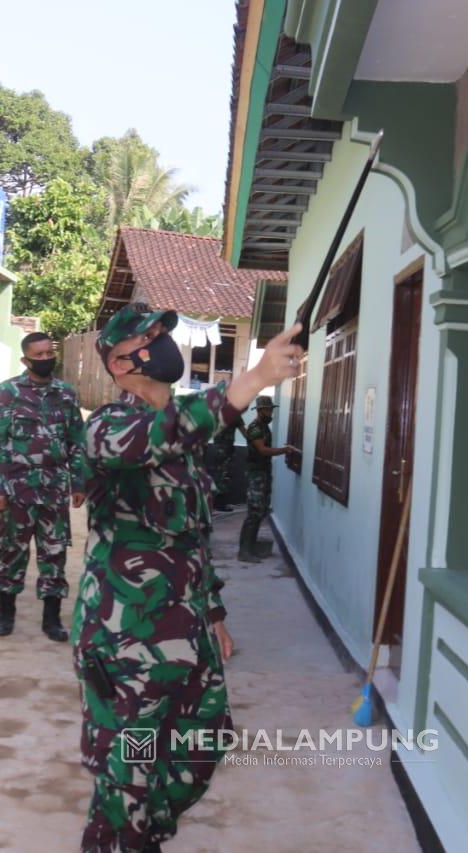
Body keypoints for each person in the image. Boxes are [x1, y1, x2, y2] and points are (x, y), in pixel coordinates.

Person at [73, 302, 302, 852]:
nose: (164, 343)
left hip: (186, 625)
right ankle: (116, 841)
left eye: (161, 334)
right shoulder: (109, 428)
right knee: (129, 763)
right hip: (125, 633)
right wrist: (255, 377)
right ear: (122, 365)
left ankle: (149, 829)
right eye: (149, 338)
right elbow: (171, 429)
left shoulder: (186, 446)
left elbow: (193, 539)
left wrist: (215, 613)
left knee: (204, 740)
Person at [0, 332, 87, 641]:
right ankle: (6, 614)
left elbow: (77, 441)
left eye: (48, 354)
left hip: (54, 490)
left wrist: (79, 481)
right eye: (38, 356)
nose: (45, 360)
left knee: (54, 553)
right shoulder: (7, 392)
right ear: (25, 360)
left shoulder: (66, 394)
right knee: (12, 552)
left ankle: (52, 619)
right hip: (17, 489)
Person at [237, 396, 295, 563]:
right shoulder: (255, 428)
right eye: (268, 410)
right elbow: (262, 450)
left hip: (263, 474)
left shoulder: (264, 427)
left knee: (260, 511)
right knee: (254, 512)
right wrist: (284, 450)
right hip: (256, 475)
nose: (270, 413)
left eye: (271, 410)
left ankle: (252, 546)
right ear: (260, 410)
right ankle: (245, 551)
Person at [208, 417, 246, 512]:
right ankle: (220, 504)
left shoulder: (216, 412)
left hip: (217, 448)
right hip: (227, 449)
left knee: (218, 475)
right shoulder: (234, 415)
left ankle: (214, 503)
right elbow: (245, 433)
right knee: (225, 476)